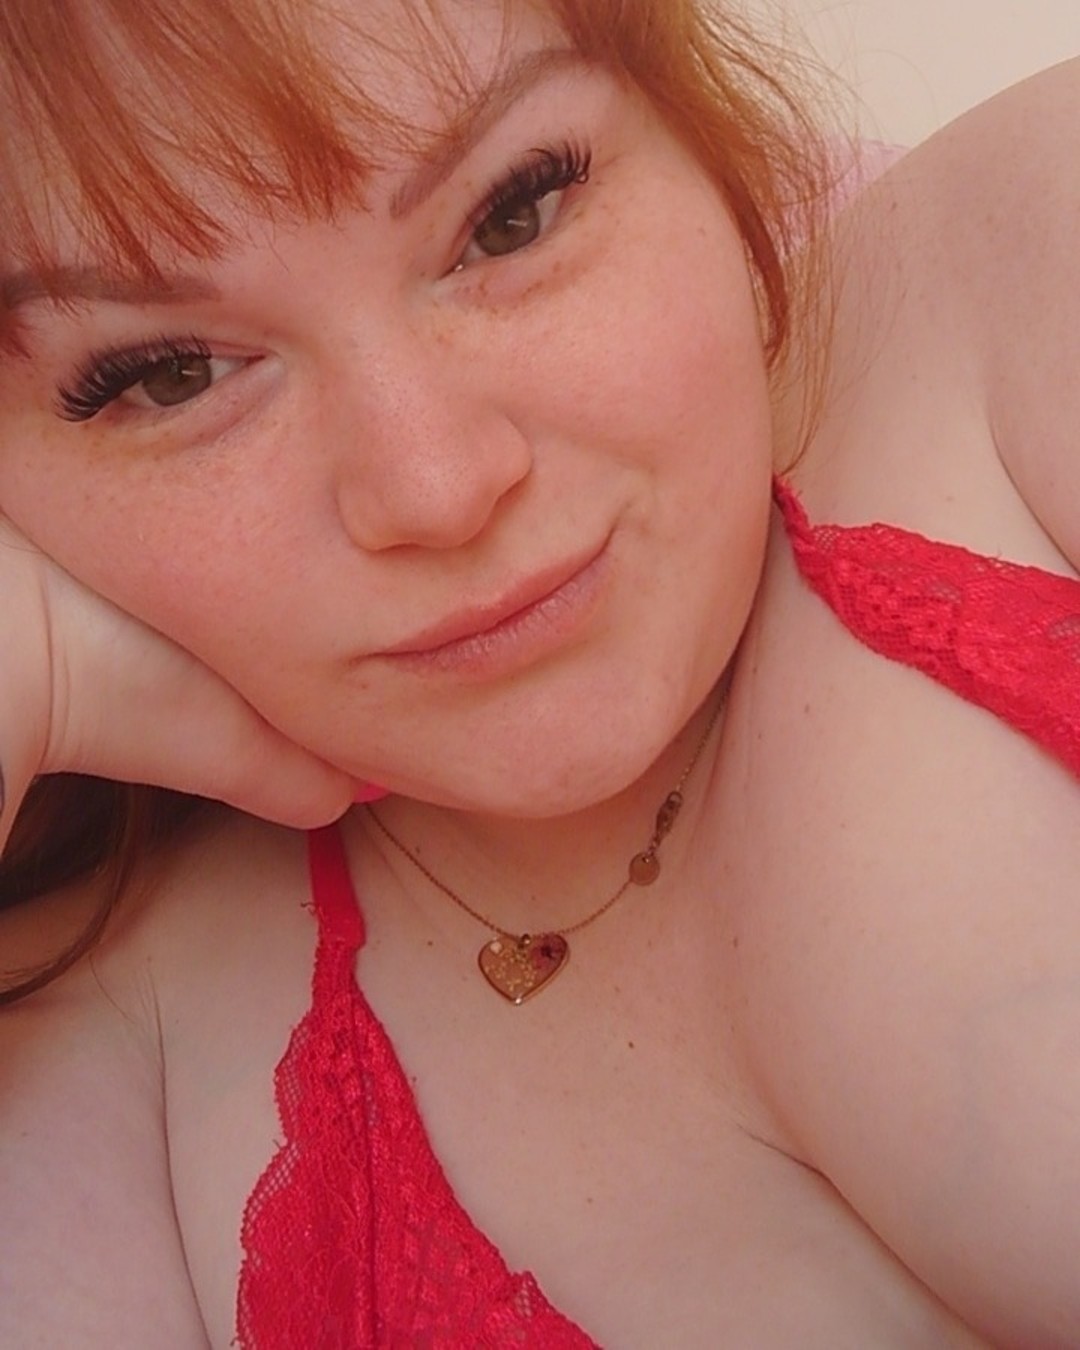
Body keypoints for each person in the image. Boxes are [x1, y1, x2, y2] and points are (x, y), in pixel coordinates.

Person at [0, 0, 1078, 1343]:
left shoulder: (1014, 278)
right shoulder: (107, 1061)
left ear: (695, 128)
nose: (438, 488)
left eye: (511, 216)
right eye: (167, 377)